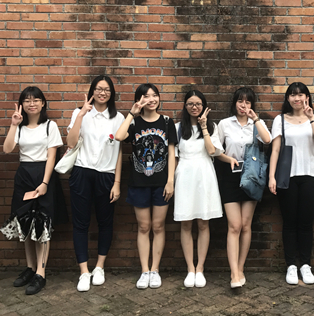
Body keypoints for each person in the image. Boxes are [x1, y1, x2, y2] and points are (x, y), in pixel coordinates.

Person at [0, 87, 64, 295]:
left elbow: (52, 156)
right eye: (27, 100)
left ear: (43, 103)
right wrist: (13, 124)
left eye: (36, 100)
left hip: (43, 174)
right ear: (22, 104)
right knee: (24, 222)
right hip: (24, 175)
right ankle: (30, 267)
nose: (32, 104)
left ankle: (41, 273)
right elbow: (7, 149)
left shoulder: (50, 126)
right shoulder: (20, 127)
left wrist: (45, 182)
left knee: (42, 224)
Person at [115, 84, 177, 290]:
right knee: (143, 227)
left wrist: (170, 181)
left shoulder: (167, 122)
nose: (151, 99)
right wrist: (131, 114)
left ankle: (155, 270)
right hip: (139, 183)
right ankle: (144, 271)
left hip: (161, 183)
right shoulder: (134, 122)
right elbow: (119, 136)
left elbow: (171, 153)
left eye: (154, 95)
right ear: (139, 100)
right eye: (146, 96)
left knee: (158, 226)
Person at [66, 75, 125, 292]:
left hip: (106, 175)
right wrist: (81, 114)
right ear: (92, 91)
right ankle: (84, 271)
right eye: (99, 89)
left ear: (112, 93)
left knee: (105, 222)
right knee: (80, 223)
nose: (102, 93)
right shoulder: (79, 113)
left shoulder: (118, 118)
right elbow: (70, 143)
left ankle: (99, 267)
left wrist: (117, 182)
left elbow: (119, 152)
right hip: (81, 172)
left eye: (107, 90)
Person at [268, 82, 314, 285]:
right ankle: (291, 265)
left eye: (301, 94)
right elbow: (275, 150)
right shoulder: (280, 120)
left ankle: (306, 265)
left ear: (307, 97)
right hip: (287, 177)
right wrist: (272, 177)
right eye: (293, 95)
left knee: (306, 223)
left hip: (309, 175)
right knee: (289, 222)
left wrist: (311, 118)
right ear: (288, 98)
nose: (297, 98)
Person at [215, 87, 271, 288]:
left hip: (251, 175)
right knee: (234, 225)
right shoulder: (224, 124)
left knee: (246, 225)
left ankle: (240, 268)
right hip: (230, 175)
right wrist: (227, 158)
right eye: (240, 101)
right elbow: (215, 149)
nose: (243, 105)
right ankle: (233, 273)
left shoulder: (256, 123)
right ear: (234, 103)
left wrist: (255, 119)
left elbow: (267, 140)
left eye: (247, 102)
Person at [174, 89, 224, 288]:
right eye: (190, 104)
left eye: (198, 104)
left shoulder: (212, 127)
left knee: (203, 223)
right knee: (186, 224)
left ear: (204, 106)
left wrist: (204, 127)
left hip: (205, 175)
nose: (194, 107)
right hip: (185, 176)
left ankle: (200, 268)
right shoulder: (178, 128)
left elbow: (212, 151)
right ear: (185, 106)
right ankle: (190, 268)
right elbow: (174, 156)